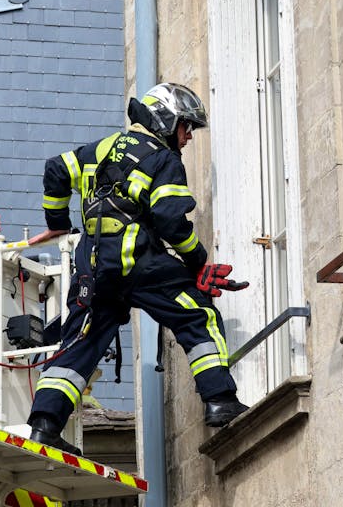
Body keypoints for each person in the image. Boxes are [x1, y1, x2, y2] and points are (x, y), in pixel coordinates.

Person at [24, 83, 250, 455]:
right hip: (138, 263)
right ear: (165, 120)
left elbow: (56, 170)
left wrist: (58, 221)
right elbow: (169, 219)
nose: (188, 136)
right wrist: (196, 262)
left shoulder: (102, 148)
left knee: (81, 342)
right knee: (197, 314)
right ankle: (220, 400)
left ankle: (45, 426)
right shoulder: (164, 160)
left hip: (92, 268)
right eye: (185, 126)